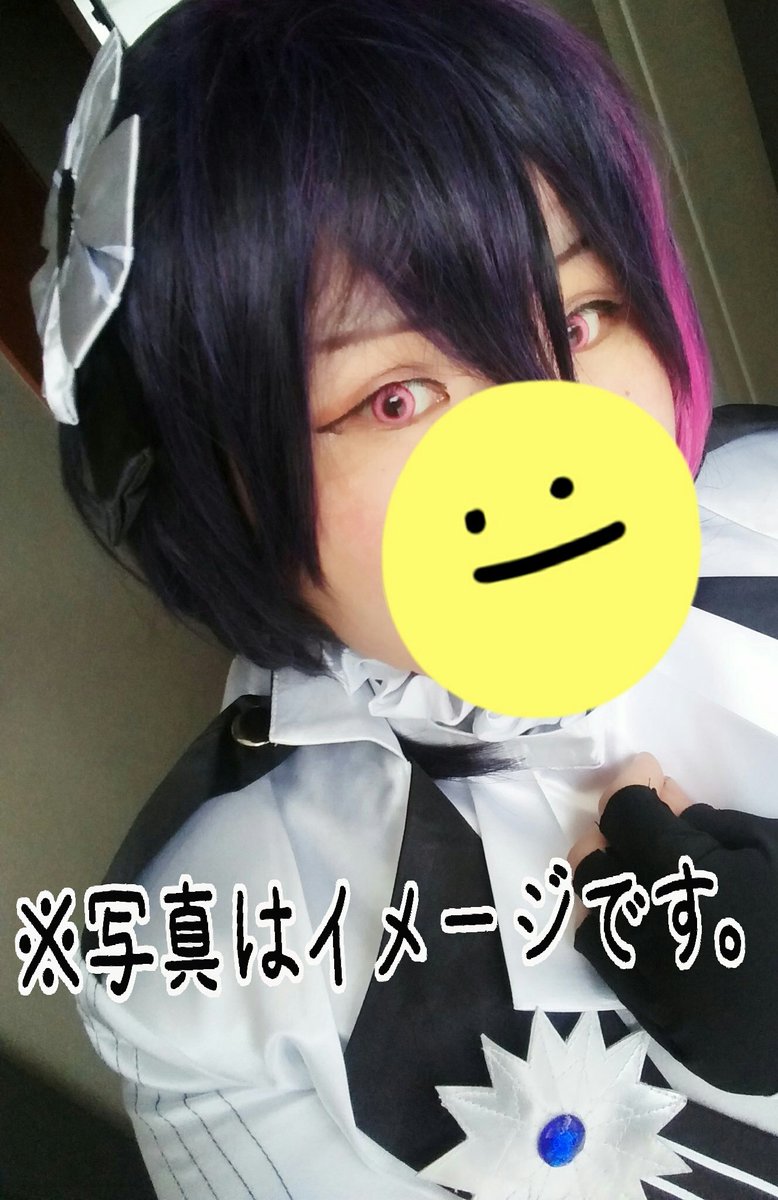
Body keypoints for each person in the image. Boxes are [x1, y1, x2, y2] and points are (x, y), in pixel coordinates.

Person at [28, 0, 778, 1196]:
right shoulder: (202, 967)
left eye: (580, 317)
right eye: (393, 396)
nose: (550, 453)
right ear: (215, 490)